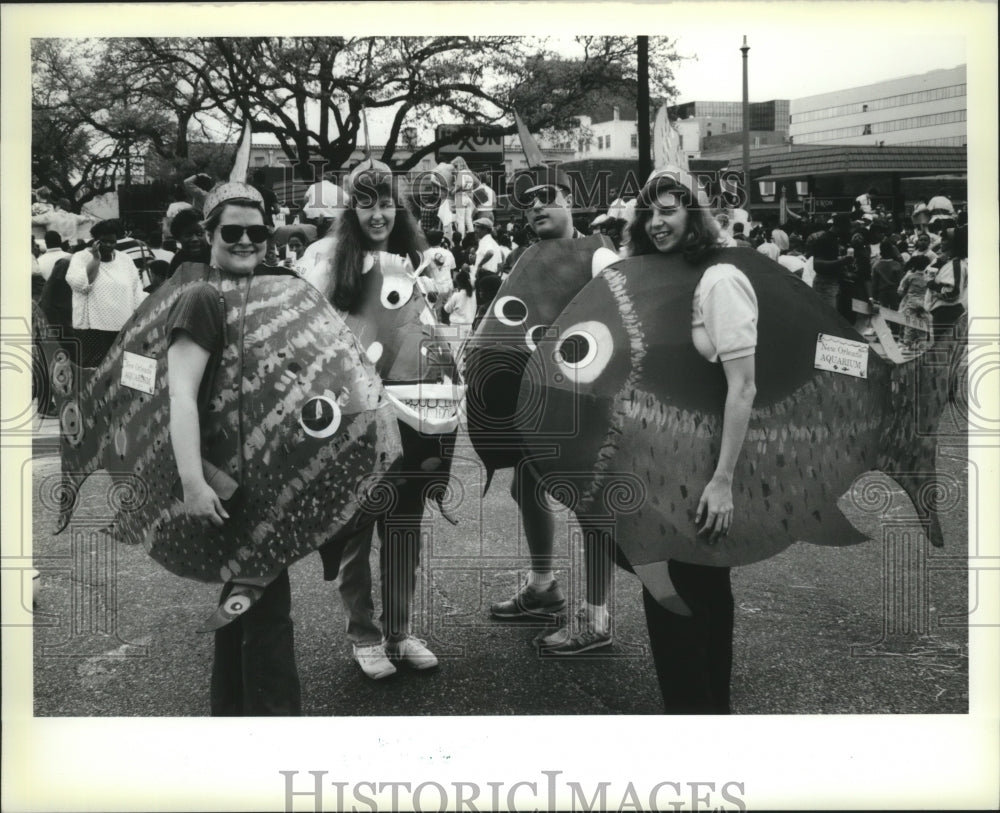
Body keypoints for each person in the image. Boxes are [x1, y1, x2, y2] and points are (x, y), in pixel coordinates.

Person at [618, 167, 752, 713]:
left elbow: (743, 387)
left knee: (689, 596)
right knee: (685, 594)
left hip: (702, 470)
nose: (656, 222)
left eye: (669, 209)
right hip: (664, 469)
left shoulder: (718, 280)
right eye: (649, 212)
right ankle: (702, 714)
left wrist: (723, 481)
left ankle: (697, 718)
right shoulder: (669, 277)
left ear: (693, 213)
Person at [165, 181, 302, 715]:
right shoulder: (203, 297)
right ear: (208, 234)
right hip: (228, 482)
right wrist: (193, 483)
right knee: (268, 614)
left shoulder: (265, 292)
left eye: (257, 230)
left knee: (246, 604)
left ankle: (232, 718)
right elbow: (180, 393)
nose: (246, 240)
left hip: (261, 480)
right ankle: (272, 733)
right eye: (233, 231)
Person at [322, 159, 438, 680]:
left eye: (386, 202)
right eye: (366, 202)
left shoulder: (414, 258)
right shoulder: (328, 262)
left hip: (413, 413)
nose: (377, 213)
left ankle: (399, 631)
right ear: (352, 208)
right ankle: (363, 635)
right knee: (356, 532)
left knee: (404, 529)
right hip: (356, 415)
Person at [489, 164, 594, 649]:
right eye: (527, 200)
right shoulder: (526, 254)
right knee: (525, 486)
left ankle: (596, 617)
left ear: (569, 199)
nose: (534, 206)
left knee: (595, 505)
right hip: (536, 396)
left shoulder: (598, 252)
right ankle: (543, 586)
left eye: (545, 196)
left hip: (586, 398)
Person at [64, 219, 145, 367]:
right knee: (93, 370)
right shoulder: (81, 257)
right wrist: (96, 259)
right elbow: (81, 285)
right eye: (104, 241)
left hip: (121, 327)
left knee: (118, 370)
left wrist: (138, 318)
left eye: (112, 242)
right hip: (92, 329)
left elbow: (136, 289)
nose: (108, 245)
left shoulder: (125, 260)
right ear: (95, 240)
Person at [168, 208, 211, 276]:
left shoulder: (217, 257)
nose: (195, 239)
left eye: (199, 234)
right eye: (188, 234)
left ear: (208, 234)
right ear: (178, 237)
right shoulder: (177, 262)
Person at [443, 269, 476, 343]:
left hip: (457, 328)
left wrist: (450, 298)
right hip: (469, 327)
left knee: (455, 351)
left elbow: (447, 309)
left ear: (458, 284)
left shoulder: (457, 295)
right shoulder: (474, 295)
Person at [471, 217, 501, 282]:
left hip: (484, 275)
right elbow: (500, 263)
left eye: (477, 228)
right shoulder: (493, 243)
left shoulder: (486, 240)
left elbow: (490, 252)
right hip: (490, 276)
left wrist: (479, 265)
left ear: (485, 230)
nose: (475, 230)